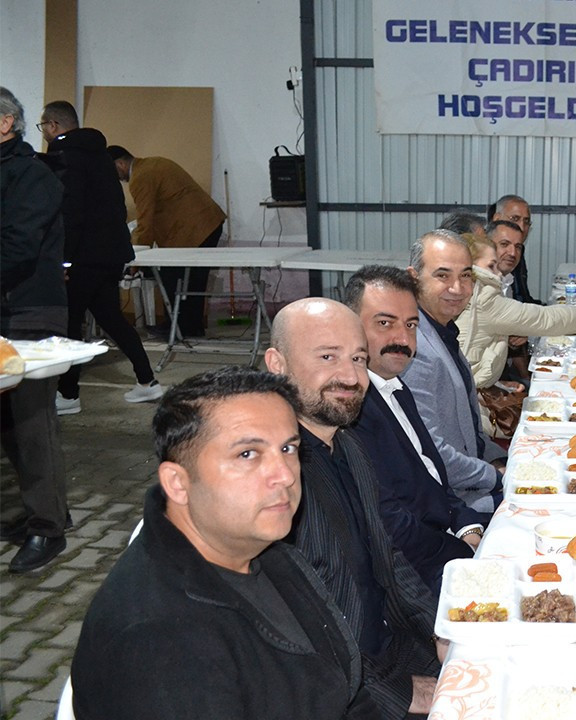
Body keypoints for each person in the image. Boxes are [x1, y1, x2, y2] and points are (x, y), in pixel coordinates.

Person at [70, 367, 378, 719]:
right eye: (247, 454)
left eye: (288, 448)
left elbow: (345, 689)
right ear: (178, 483)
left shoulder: (258, 549)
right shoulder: (160, 645)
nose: (285, 474)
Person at [264, 298, 441, 719]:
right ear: (277, 364)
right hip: (342, 690)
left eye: (359, 359)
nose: (350, 376)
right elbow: (293, 632)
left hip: (393, 648)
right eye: (328, 357)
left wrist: (441, 631)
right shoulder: (273, 479)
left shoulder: (349, 445)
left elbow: (389, 559)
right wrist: (401, 692)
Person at [343, 266, 488, 595]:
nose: (402, 339)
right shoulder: (353, 411)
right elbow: (390, 524)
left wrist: (466, 524)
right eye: (385, 323)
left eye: (410, 325)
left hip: (448, 537)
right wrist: (464, 552)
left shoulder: (395, 388)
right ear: (351, 327)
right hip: (416, 577)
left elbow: (432, 476)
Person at [37, 101, 163, 414]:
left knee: (70, 323)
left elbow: (70, 213)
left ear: (53, 125)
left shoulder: (65, 157)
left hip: (83, 255)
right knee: (110, 318)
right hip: (110, 253)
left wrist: (63, 260)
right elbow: (116, 206)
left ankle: (68, 395)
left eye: (43, 127)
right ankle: (147, 381)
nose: (44, 134)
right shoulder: (101, 156)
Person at [0, 87, 71, 573]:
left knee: (32, 422)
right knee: (7, 422)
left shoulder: (32, 175)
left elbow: (18, 246)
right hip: (6, 309)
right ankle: (44, 511)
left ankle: (49, 528)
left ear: (6, 123)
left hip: (31, 310)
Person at [402, 230, 506, 513]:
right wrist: (497, 477)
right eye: (443, 275)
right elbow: (431, 451)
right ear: (413, 278)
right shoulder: (414, 349)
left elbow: (469, 429)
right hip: (450, 504)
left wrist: (500, 460)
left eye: (466, 276)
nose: (458, 288)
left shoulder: (441, 330)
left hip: (470, 480)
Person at [458, 233, 576, 388]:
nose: (498, 273)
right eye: (491, 266)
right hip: (471, 391)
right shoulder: (484, 299)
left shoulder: (468, 292)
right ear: (471, 267)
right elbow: (545, 319)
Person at [107, 145, 226, 338]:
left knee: (172, 276)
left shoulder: (140, 178)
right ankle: (190, 327)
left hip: (195, 228)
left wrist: (135, 260)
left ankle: (177, 327)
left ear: (120, 164)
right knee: (194, 281)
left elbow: (145, 221)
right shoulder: (153, 163)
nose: (116, 178)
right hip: (206, 223)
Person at [488, 194, 539, 304]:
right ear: (497, 219)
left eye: (526, 222)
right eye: (515, 219)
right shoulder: (479, 256)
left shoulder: (517, 251)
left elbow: (522, 297)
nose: (522, 227)